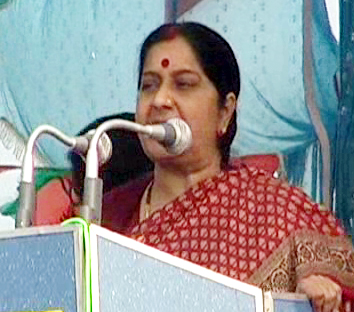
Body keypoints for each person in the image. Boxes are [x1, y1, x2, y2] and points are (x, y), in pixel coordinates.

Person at [101, 22, 354, 312]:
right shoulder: (109, 215)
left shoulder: (274, 210)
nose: (159, 100)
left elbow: (342, 289)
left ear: (225, 111)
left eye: (183, 84)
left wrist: (311, 300)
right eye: (149, 85)